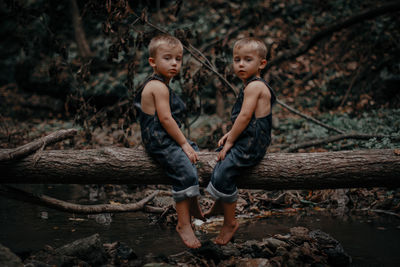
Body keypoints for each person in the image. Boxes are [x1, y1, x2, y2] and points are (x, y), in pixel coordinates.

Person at [134, 34, 205, 249]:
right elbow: (165, 119)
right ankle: (183, 224)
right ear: (153, 62)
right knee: (185, 172)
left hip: (163, 137)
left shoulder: (161, 84)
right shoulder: (157, 87)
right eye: (167, 58)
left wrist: (187, 144)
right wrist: (182, 143)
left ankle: (192, 205)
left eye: (178, 59)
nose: (174, 63)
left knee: (194, 152)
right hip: (160, 142)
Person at [205, 37, 276, 245]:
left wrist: (229, 143)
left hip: (252, 143)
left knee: (223, 171)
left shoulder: (255, 87)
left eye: (247, 59)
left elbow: (245, 117)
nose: (241, 64)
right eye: (237, 60)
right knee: (219, 167)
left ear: (261, 64)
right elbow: (245, 119)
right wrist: (230, 134)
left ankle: (230, 222)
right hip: (249, 137)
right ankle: (222, 200)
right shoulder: (250, 86)